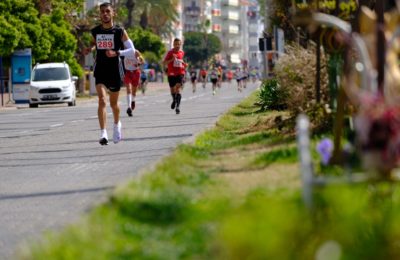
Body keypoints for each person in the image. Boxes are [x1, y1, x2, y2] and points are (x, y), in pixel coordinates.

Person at [84, 2, 135, 145]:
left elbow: (132, 50)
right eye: (102, 12)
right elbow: (94, 43)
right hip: (100, 68)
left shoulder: (120, 31)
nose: (105, 14)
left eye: (107, 11)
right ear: (99, 15)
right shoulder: (95, 31)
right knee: (101, 100)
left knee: (114, 104)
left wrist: (117, 52)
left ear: (113, 13)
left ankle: (117, 124)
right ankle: (103, 133)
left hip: (115, 70)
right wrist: (90, 49)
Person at [163, 38, 187, 114]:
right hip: (171, 74)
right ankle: (174, 100)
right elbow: (164, 63)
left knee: (178, 88)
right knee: (172, 89)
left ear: (180, 44)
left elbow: (182, 61)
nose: (177, 46)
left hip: (180, 73)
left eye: (179, 44)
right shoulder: (170, 53)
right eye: (176, 44)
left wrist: (185, 64)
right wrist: (172, 59)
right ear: (173, 44)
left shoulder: (182, 52)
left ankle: (178, 107)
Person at [124, 50, 144, 117]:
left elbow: (142, 61)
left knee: (134, 91)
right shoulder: (123, 52)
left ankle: (133, 100)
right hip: (127, 73)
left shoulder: (136, 52)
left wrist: (138, 63)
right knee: (128, 89)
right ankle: (129, 107)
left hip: (136, 72)